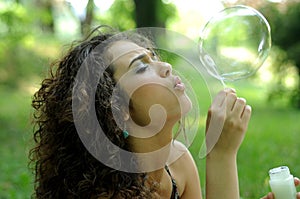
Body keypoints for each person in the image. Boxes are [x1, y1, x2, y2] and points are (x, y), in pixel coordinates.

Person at [29, 25, 298, 198]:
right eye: (141, 66)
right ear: (116, 108)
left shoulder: (177, 162)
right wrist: (221, 155)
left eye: (154, 57)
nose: (166, 67)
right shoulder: (104, 193)